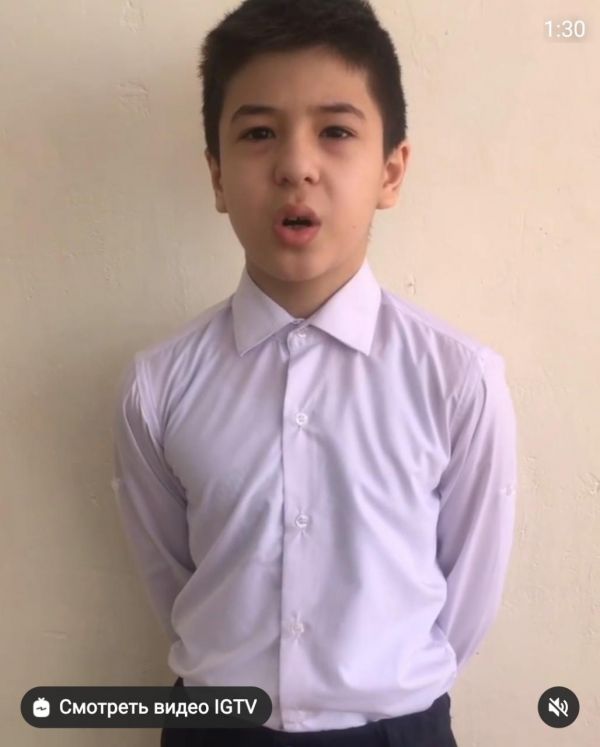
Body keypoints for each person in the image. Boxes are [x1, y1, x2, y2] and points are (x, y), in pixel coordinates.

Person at [111, 0, 518, 745]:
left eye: (335, 131)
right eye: (259, 133)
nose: (297, 166)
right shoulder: (159, 385)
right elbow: (173, 578)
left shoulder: (459, 379)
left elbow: (467, 596)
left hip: (397, 730)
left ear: (391, 171)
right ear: (217, 176)